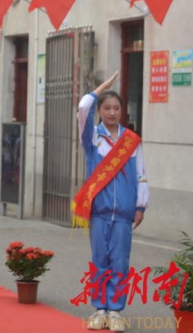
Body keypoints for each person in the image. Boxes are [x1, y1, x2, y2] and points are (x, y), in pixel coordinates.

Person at [77, 71, 148, 332]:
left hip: (125, 213)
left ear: (122, 110)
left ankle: (115, 310)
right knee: (100, 259)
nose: (112, 112)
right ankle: (99, 308)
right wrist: (100, 89)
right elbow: (82, 109)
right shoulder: (92, 138)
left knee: (120, 261)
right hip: (100, 211)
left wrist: (140, 205)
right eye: (107, 108)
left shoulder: (132, 141)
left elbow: (141, 174)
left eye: (116, 108)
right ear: (100, 111)